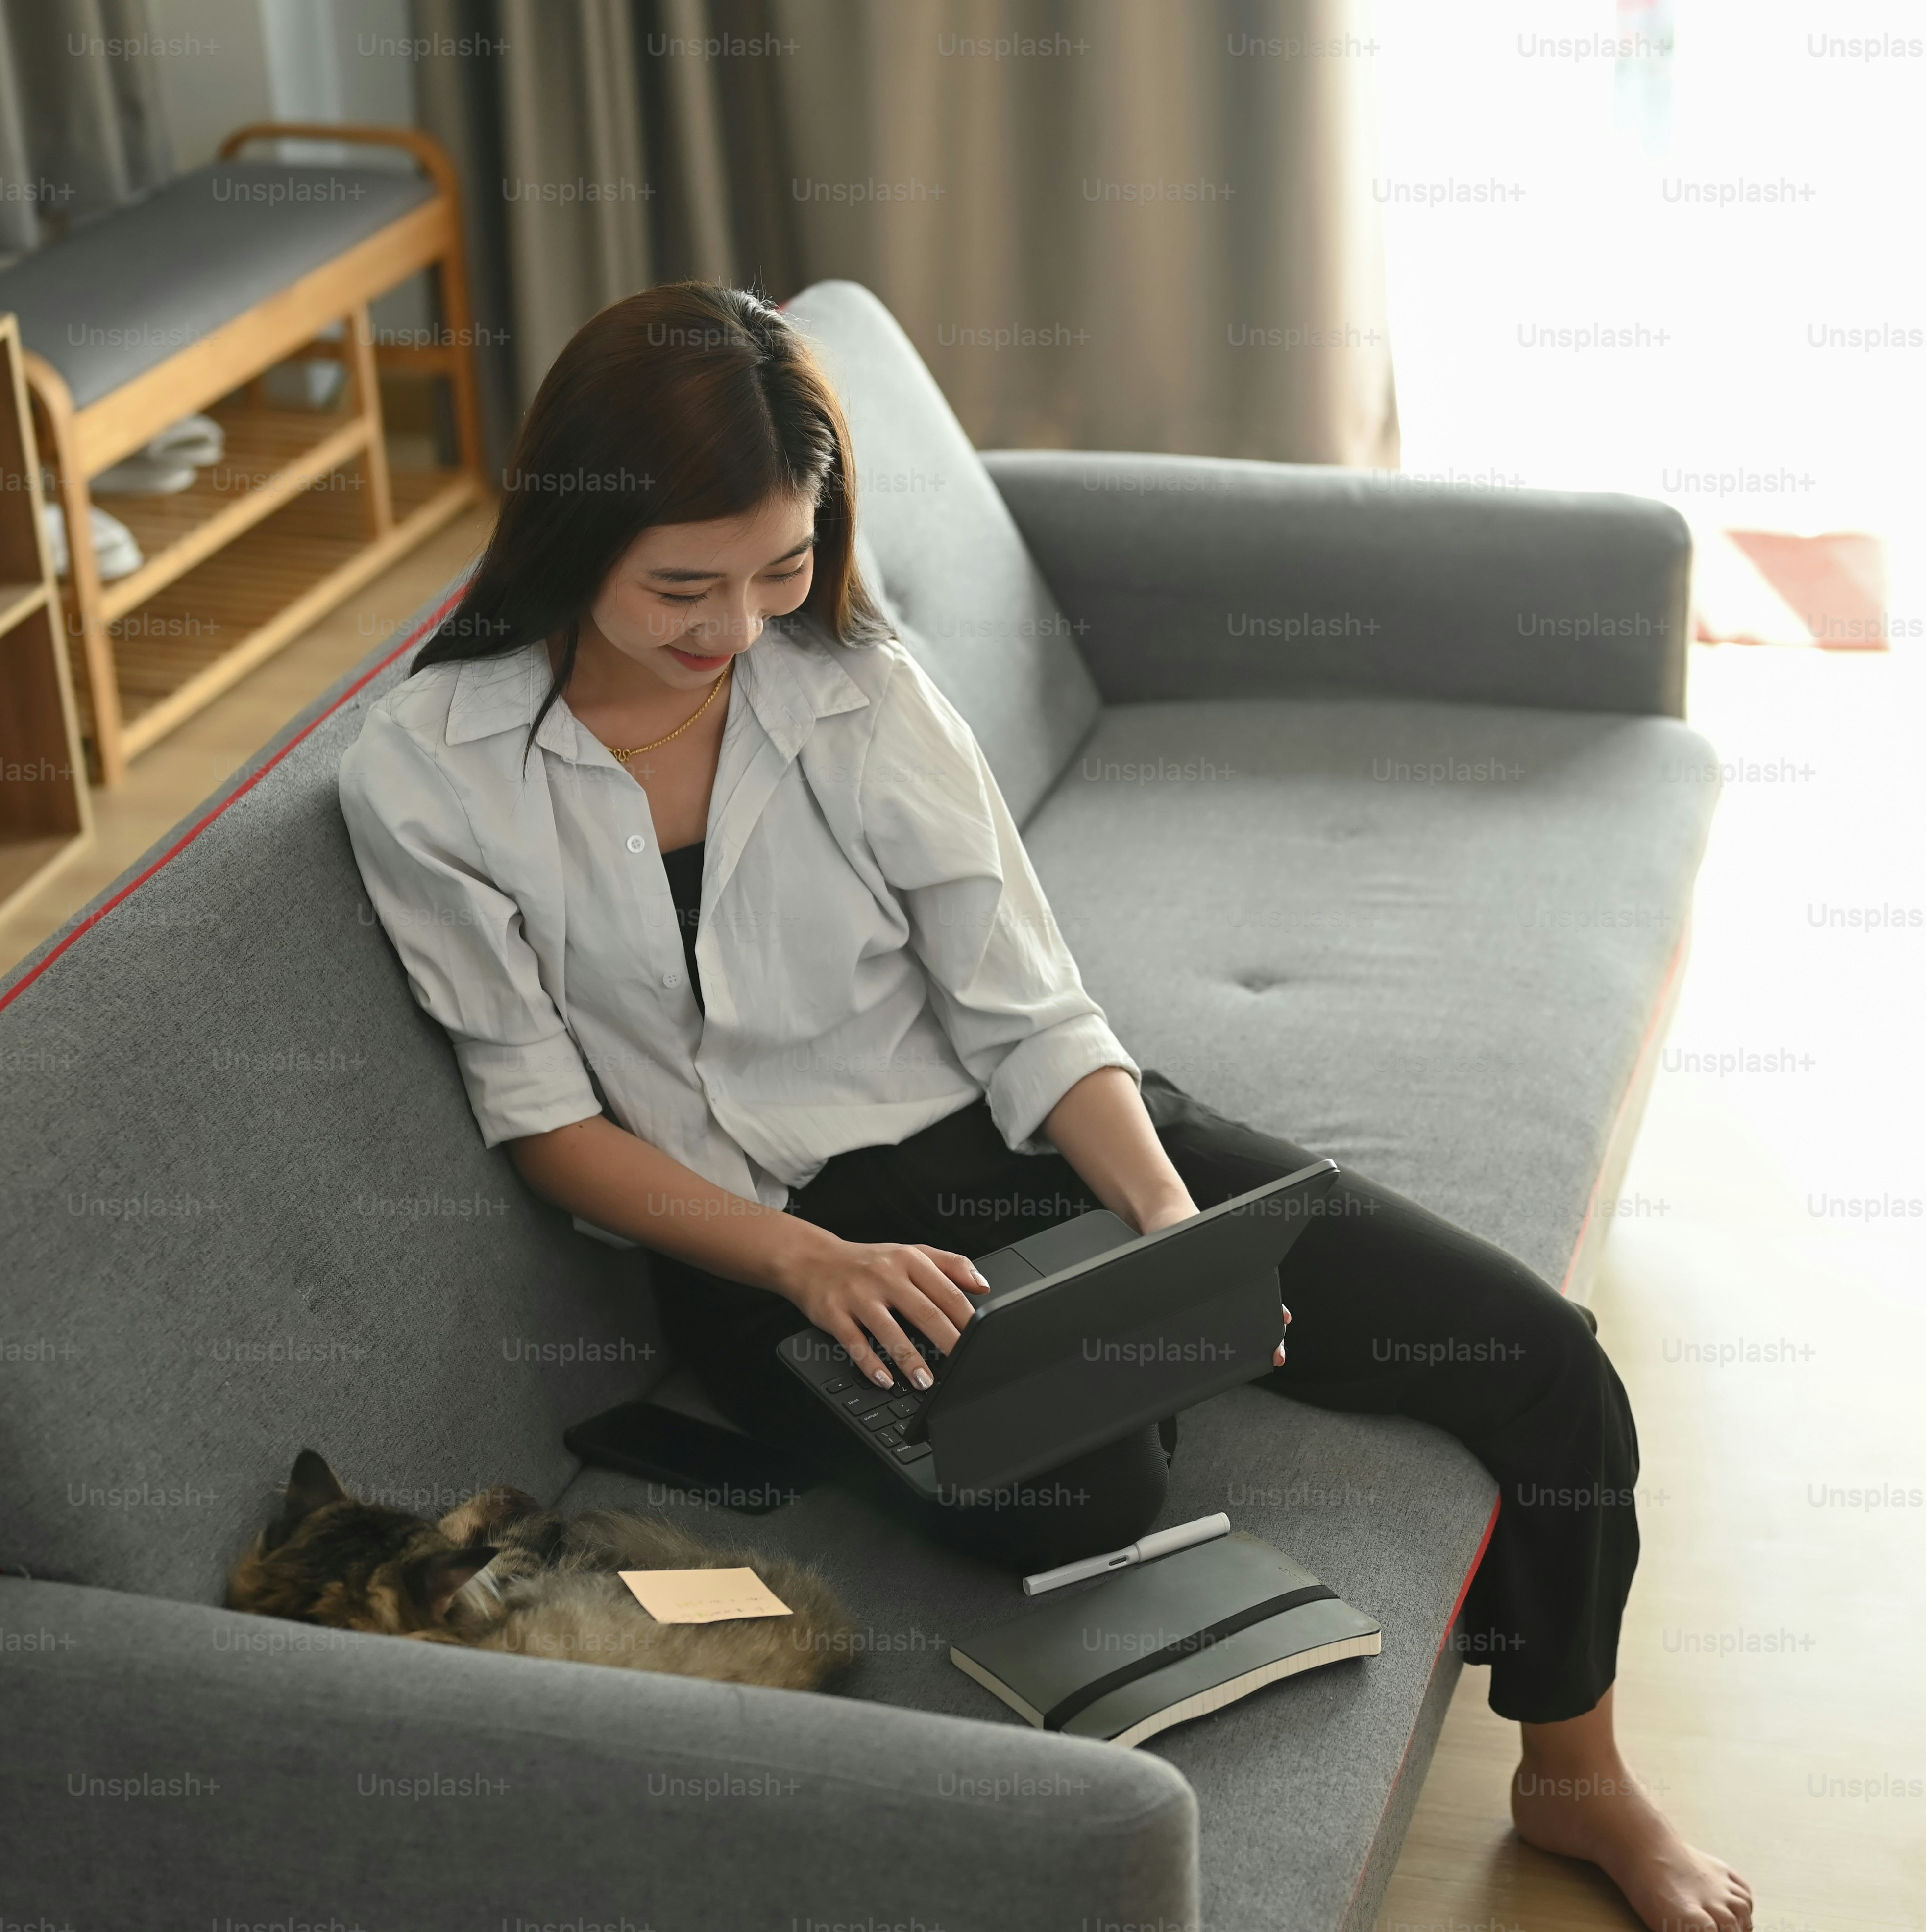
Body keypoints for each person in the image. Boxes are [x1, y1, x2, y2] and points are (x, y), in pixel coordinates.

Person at [335, 280, 1754, 1932]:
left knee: (1538, 1359)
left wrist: (1170, 1231)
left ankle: (1575, 1773)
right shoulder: (432, 772)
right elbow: (542, 1122)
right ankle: (1097, 1366)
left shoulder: (859, 687)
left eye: (784, 566)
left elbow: (1031, 1010)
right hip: (762, 1239)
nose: (738, 625)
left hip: (1010, 1135)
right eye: (682, 588)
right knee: (1083, 1494)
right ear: (570, 536)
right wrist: (800, 1263)